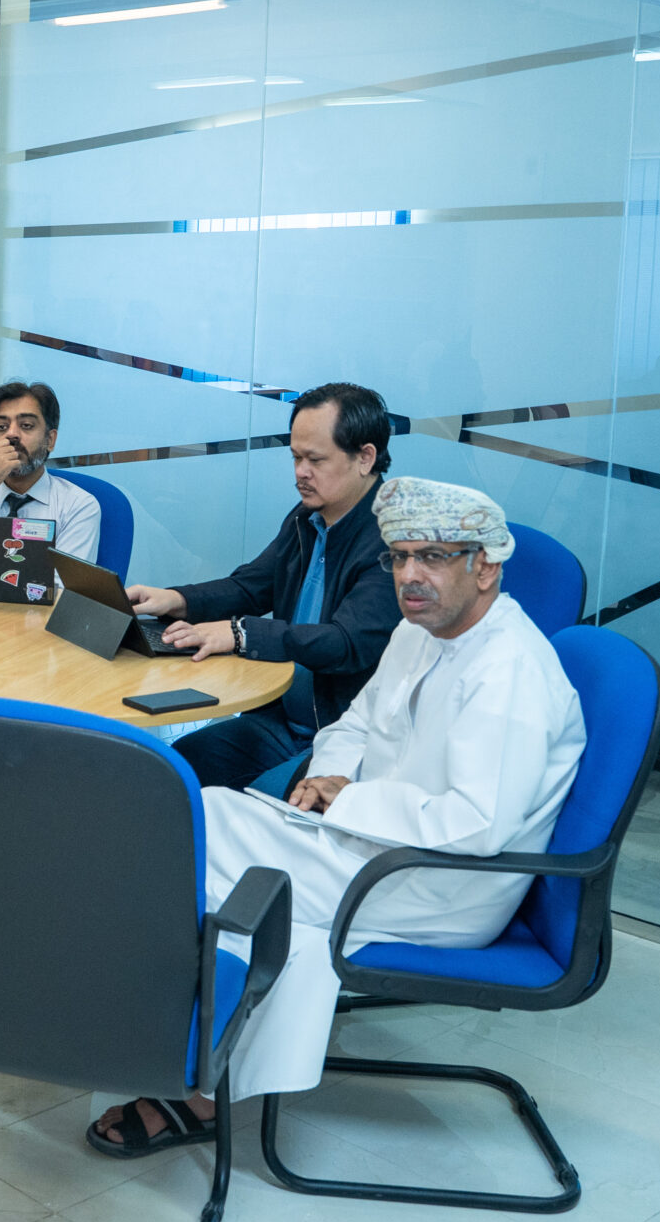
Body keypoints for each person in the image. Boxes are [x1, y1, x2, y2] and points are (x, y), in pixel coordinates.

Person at [86, 479, 584, 1155]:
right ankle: (179, 1048)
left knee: (199, 858)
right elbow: (356, 723)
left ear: (485, 567)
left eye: (433, 557)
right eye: (399, 556)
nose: (410, 575)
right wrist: (330, 777)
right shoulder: (422, 629)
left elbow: (476, 825)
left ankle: (187, 1076)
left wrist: (345, 799)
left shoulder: (510, 671)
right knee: (199, 817)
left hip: (440, 880)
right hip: (372, 840)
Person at [127, 382, 402, 790]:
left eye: (315, 459)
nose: (300, 472)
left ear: (365, 457)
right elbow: (251, 586)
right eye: (295, 457)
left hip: (343, 738)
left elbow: (345, 642)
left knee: (250, 801)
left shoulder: (396, 540)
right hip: (279, 721)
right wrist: (176, 599)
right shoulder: (307, 517)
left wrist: (242, 634)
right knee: (173, 771)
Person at [0, 380, 100, 566]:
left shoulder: (77, 506)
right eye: (2, 427)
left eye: (26, 425)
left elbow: (63, 582)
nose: (12, 434)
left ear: (50, 440)